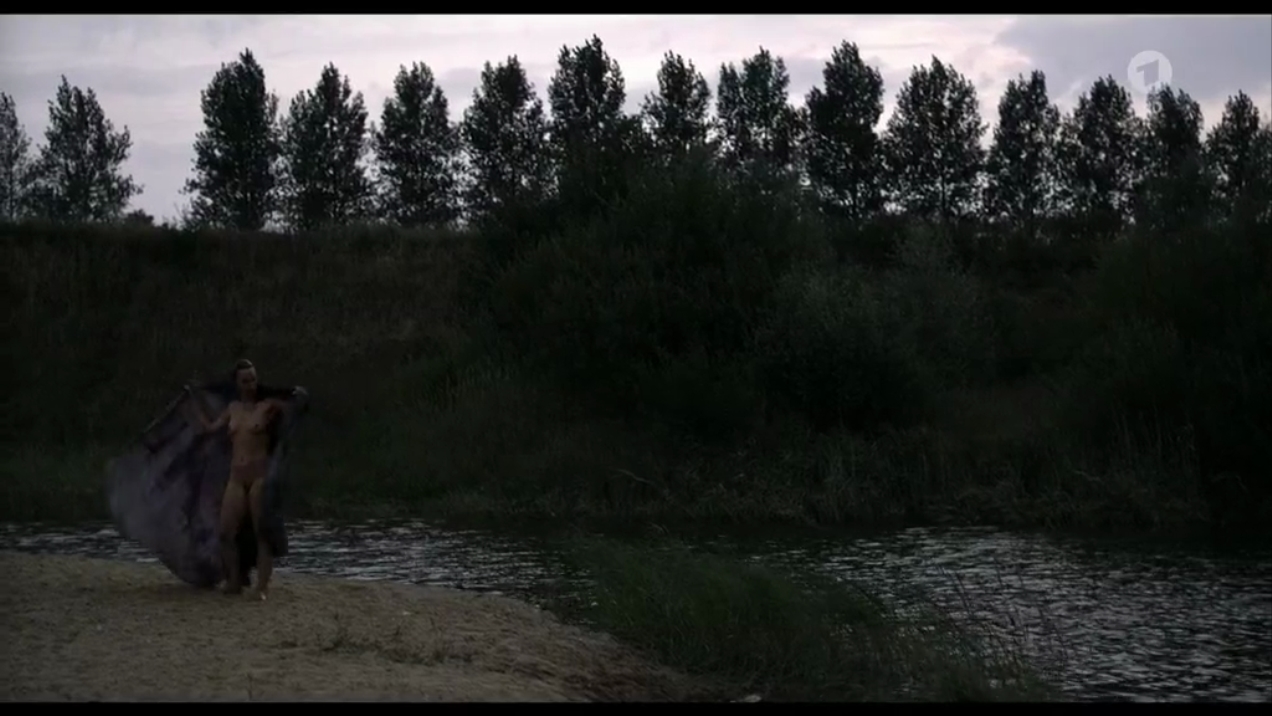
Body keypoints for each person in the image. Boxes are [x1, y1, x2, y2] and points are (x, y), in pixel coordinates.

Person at [186, 359, 307, 600]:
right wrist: (192, 402)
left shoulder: (267, 406)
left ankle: (261, 587)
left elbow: (294, 407)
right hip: (236, 478)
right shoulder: (232, 408)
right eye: (245, 381)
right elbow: (210, 429)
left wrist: (295, 396)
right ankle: (234, 581)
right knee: (225, 532)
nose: (250, 384)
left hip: (259, 476)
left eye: (253, 379)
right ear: (237, 383)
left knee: (262, 532)